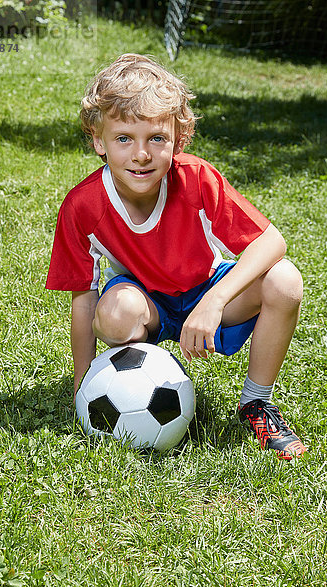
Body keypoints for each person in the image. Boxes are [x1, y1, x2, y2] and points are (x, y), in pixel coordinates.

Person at [46, 53, 306, 460]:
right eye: (123, 138)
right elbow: (83, 299)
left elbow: (271, 241)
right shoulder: (83, 206)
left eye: (156, 138)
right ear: (99, 140)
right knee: (114, 311)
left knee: (285, 280)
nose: (141, 154)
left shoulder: (197, 179)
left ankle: (257, 402)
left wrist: (214, 301)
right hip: (144, 303)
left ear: (178, 139)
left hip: (207, 288)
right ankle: (129, 382)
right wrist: (83, 385)